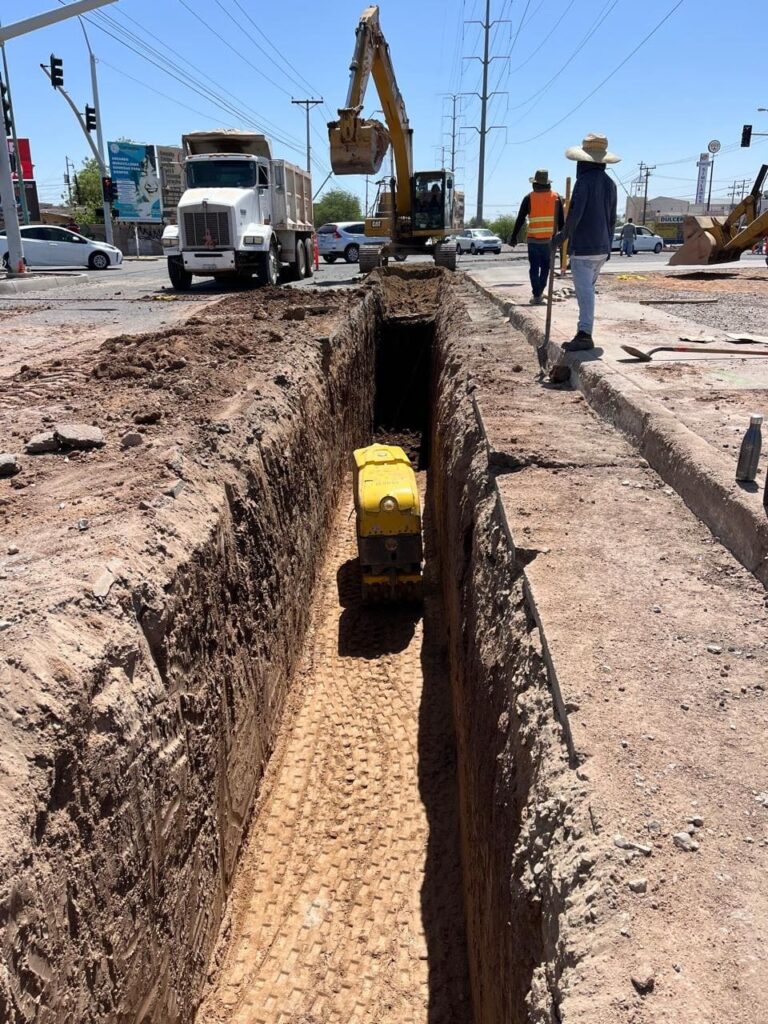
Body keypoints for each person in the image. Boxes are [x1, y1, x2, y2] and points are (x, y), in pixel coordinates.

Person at [553, 133, 619, 352]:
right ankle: (584, 330)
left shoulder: (584, 183)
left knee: (584, 293)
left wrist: (561, 237)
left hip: (584, 248)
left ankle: (584, 334)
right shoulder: (610, 184)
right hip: (601, 248)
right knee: (587, 290)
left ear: (583, 161)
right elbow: (611, 218)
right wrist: (608, 246)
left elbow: (575, 215)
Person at [509, 169, 564, 304]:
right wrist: (562, 239)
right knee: (546, 267)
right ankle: (539, 292)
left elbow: (520, 219)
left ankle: (537, 294)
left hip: (533, 240)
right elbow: (562, 222)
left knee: (534, 267)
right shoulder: (556, 197)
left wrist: (513, 237)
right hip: (549, 241)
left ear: (535, 184)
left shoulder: (529, 198)